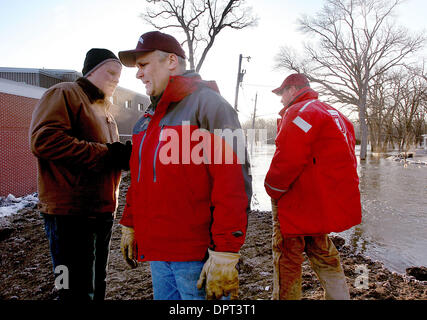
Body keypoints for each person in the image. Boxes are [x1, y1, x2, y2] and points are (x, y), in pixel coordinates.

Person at [117, 31, 252, 300]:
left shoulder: (210, 106)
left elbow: (233, 181)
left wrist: (226, 250)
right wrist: (130, 224)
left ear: (170, 61)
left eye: (143, 65)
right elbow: (141, 178)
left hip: (197, 256)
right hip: (158, 254)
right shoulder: (148, 118)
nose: (138, 74)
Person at [29, 48, 132, 300]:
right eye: (110, 72)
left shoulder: (106, 113)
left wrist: (124, 157)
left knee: (97, 284)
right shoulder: (64, 93)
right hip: (69, 216)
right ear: (91, 71)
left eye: (118, 76)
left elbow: (106, 155)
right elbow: (45, 140)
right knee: (69, 287)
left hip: (102, 212)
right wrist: (108, 153)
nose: (115, 80)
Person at [264, 73, 362, 300]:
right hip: (321, 201)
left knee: (287, 256)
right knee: (322, 251)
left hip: (296, 200)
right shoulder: (336, 114)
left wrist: (272, 188)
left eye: (281, 93)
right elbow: (345, 162)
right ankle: (340, 297)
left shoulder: (299, 113)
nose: (280, 100)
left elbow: (288, 157)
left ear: (293, 89)